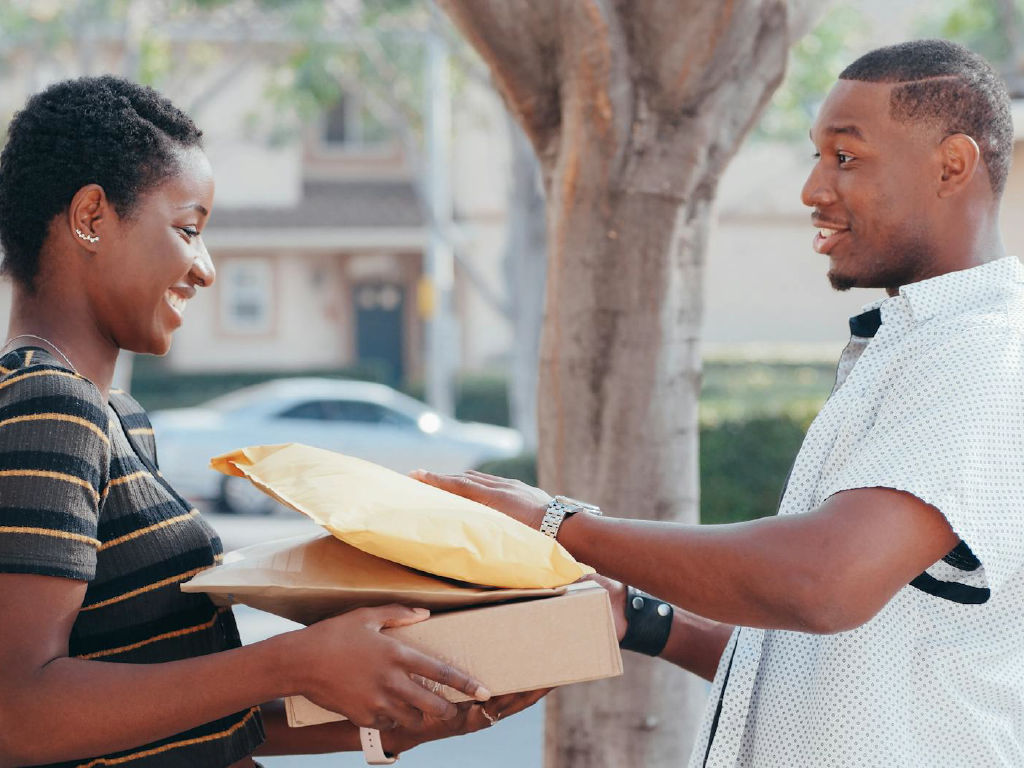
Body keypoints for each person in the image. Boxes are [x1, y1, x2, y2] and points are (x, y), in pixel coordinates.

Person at [412, 39, 1024, 768]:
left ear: (952, 166)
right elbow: (822, 666)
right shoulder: (915, 346)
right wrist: (637, 617)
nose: (811, 189)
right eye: (816, 156)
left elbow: (823, 584)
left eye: (846, 158)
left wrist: (556, 523)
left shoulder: (985, 352)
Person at [0, 75, 544, 768]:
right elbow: (16, 714)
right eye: (188, 230)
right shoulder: (46, 405)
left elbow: (180, 710)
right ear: (90, 218)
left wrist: (400, 712)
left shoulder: (114, 419)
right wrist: (293, 662)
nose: (206, 270)